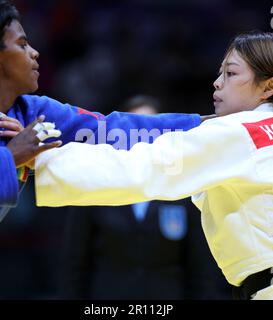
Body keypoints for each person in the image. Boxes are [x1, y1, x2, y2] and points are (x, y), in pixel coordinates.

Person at [0, 0, 204, 300]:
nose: (34, 52)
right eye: (22, 44)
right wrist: (13, 155)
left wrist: (204, 126)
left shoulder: (29, 112)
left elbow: (112, 129)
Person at [35, 31, 273, 300]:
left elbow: (143, 169)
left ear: (268, 86)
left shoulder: (240, 133)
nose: (217, 83)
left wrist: (35, 162)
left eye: (231, 74)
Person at [58, 96, 230, 299]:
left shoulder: (182, 189)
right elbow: (74, 262)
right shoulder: (96, 186)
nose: (144, 138)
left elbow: (200, 266)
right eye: (137, 129)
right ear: (119, 136)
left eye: (151, 129)